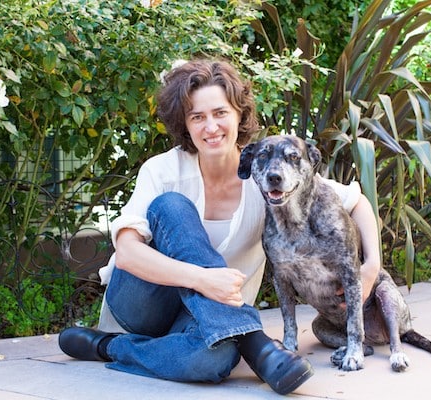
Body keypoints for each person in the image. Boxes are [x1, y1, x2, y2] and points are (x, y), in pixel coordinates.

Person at [59, 59, 381, 395]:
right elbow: (126, 253)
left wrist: (371, 267)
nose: (210, 126)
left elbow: (356, 202)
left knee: (215, 360)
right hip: (140, 305)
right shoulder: (163, 171)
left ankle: (109, 347)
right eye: (197, 117)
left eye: (220, 113)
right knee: (171, 207)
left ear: (239, 114)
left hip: (206, 319)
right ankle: (258, 346)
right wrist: (201, 279)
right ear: (185, 124)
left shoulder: (267, 176)